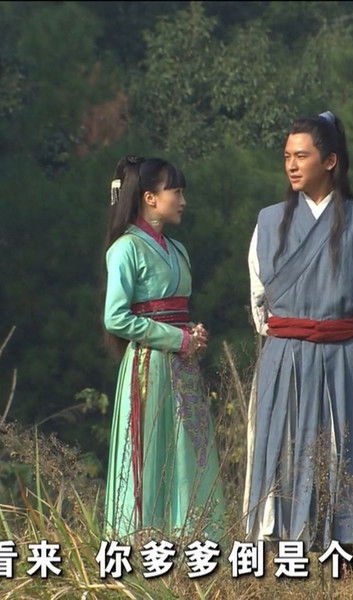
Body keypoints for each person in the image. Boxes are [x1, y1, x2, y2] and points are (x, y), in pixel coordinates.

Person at [244, 111, 353, 550]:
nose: (291, 165)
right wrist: (294, 335)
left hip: (347, 357)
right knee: (282, 455)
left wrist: (344, 339)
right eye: (286, 156)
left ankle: (348, 551)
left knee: (345, 455)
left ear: (329, 161)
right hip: (285, 358)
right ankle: (282, 552)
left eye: (301, 156)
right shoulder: (269, 221)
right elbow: (259, 302)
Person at [103, 155, 224, 539]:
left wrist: (192, 333)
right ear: (150, 197)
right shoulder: (125, 248)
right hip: (148, 367)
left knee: (190, 452)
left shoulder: (178, 249)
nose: (183, 201)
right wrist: (177, 339)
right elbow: (116, 319)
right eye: (177, 192)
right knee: (150, 452)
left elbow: (175, 310)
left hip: (183, 367)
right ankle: (144, 544)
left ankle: (194, 540)